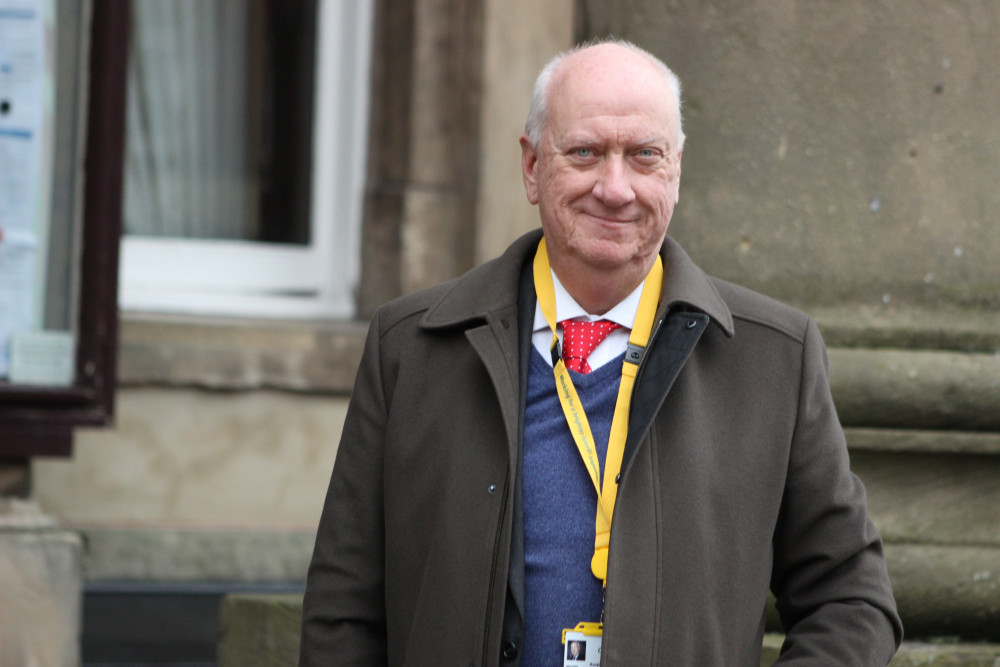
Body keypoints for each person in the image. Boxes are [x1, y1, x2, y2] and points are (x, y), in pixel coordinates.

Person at [300, 39, 902, 665]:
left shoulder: (774, 359)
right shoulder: (413, 348)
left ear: (676, 170)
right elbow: (344, 608)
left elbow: (852, 600)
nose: (615, 189)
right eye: (585, 153)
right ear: (533, 167)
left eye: (644, 156)